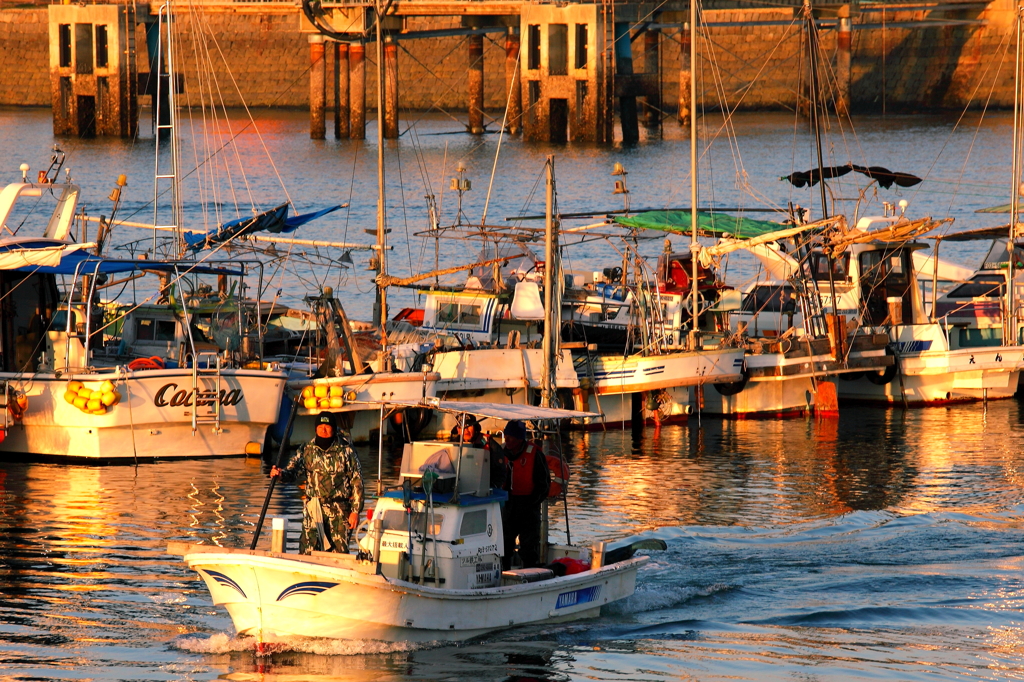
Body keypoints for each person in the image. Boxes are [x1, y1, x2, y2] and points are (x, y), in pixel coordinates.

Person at [271, 412, 363, 554]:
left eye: (327, 426)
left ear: (333, 428)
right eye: (320, 426)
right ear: (315, 428)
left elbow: (357, 481)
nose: (324, 429)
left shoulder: (346, 450)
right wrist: (280, 474)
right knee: (308, 549)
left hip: (339, 509)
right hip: (313, 507)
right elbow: (292, 472)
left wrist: (355, 511)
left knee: (339, 552)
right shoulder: (306, 449)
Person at [488, 419, 549, 569]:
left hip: (528, 507)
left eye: (510, 436)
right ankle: (504, 573)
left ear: (520, 438)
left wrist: (532, 503)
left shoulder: (535, 455)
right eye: (506, 435)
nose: (506, 439)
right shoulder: (501, 454)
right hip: (508, 504)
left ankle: (530, 574)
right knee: (505, 544)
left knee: (529, 546)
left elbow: (544, 484)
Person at [451, 414, 508, 491]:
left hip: (484, 490)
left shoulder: (490, 444)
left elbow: (500, 473)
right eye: (462, 427)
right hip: (459, 489)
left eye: (469, 426)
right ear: (458, 429)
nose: (466, 430)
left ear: (475, 428)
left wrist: (490, 488)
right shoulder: (452, 445)